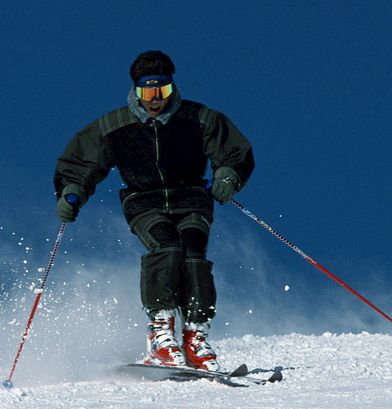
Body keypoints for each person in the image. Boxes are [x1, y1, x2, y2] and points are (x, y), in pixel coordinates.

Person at [54, 51, 254, 371]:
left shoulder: (199, 118)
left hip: (190, 197)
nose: (155, 100)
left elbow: (232, 152)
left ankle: (195, 335)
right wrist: (72, 190)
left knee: (191, 251)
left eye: (162, 91)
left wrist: (228, 176)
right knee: (167, 246)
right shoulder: (115, 125)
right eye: (147, 92)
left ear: (172, 89)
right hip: (143, 200)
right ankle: (161, 333)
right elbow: (81, 162)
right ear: (136, 91)